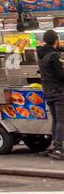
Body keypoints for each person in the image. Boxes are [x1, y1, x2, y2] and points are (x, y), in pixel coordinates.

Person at [38, 29, 64, 160]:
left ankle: (54, 145)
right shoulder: (54, 55)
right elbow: (61, 75)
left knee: (56, 120)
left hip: (48, 92)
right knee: (61, 120)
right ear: (55, 40)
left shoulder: (42, 54)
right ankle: (59, 149)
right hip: (59, 92)